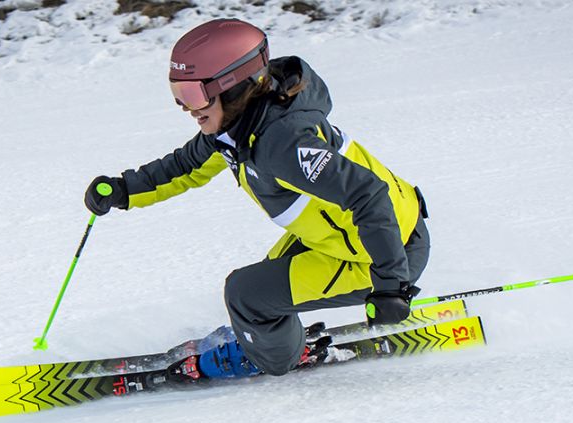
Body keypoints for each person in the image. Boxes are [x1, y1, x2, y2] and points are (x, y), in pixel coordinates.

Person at [84, 18, 429, 380]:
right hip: (344, 237)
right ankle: (268, 335)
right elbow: (187, 165)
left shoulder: (283, 143)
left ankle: (275, 357)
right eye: (178, 95)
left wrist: (391, 286)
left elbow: (368, 193)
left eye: (194, 95)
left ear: (233, 87)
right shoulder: (240, 127)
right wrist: (125, 189)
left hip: (384, 251)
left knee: (245, 295)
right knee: (263, 288)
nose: (187, 108)